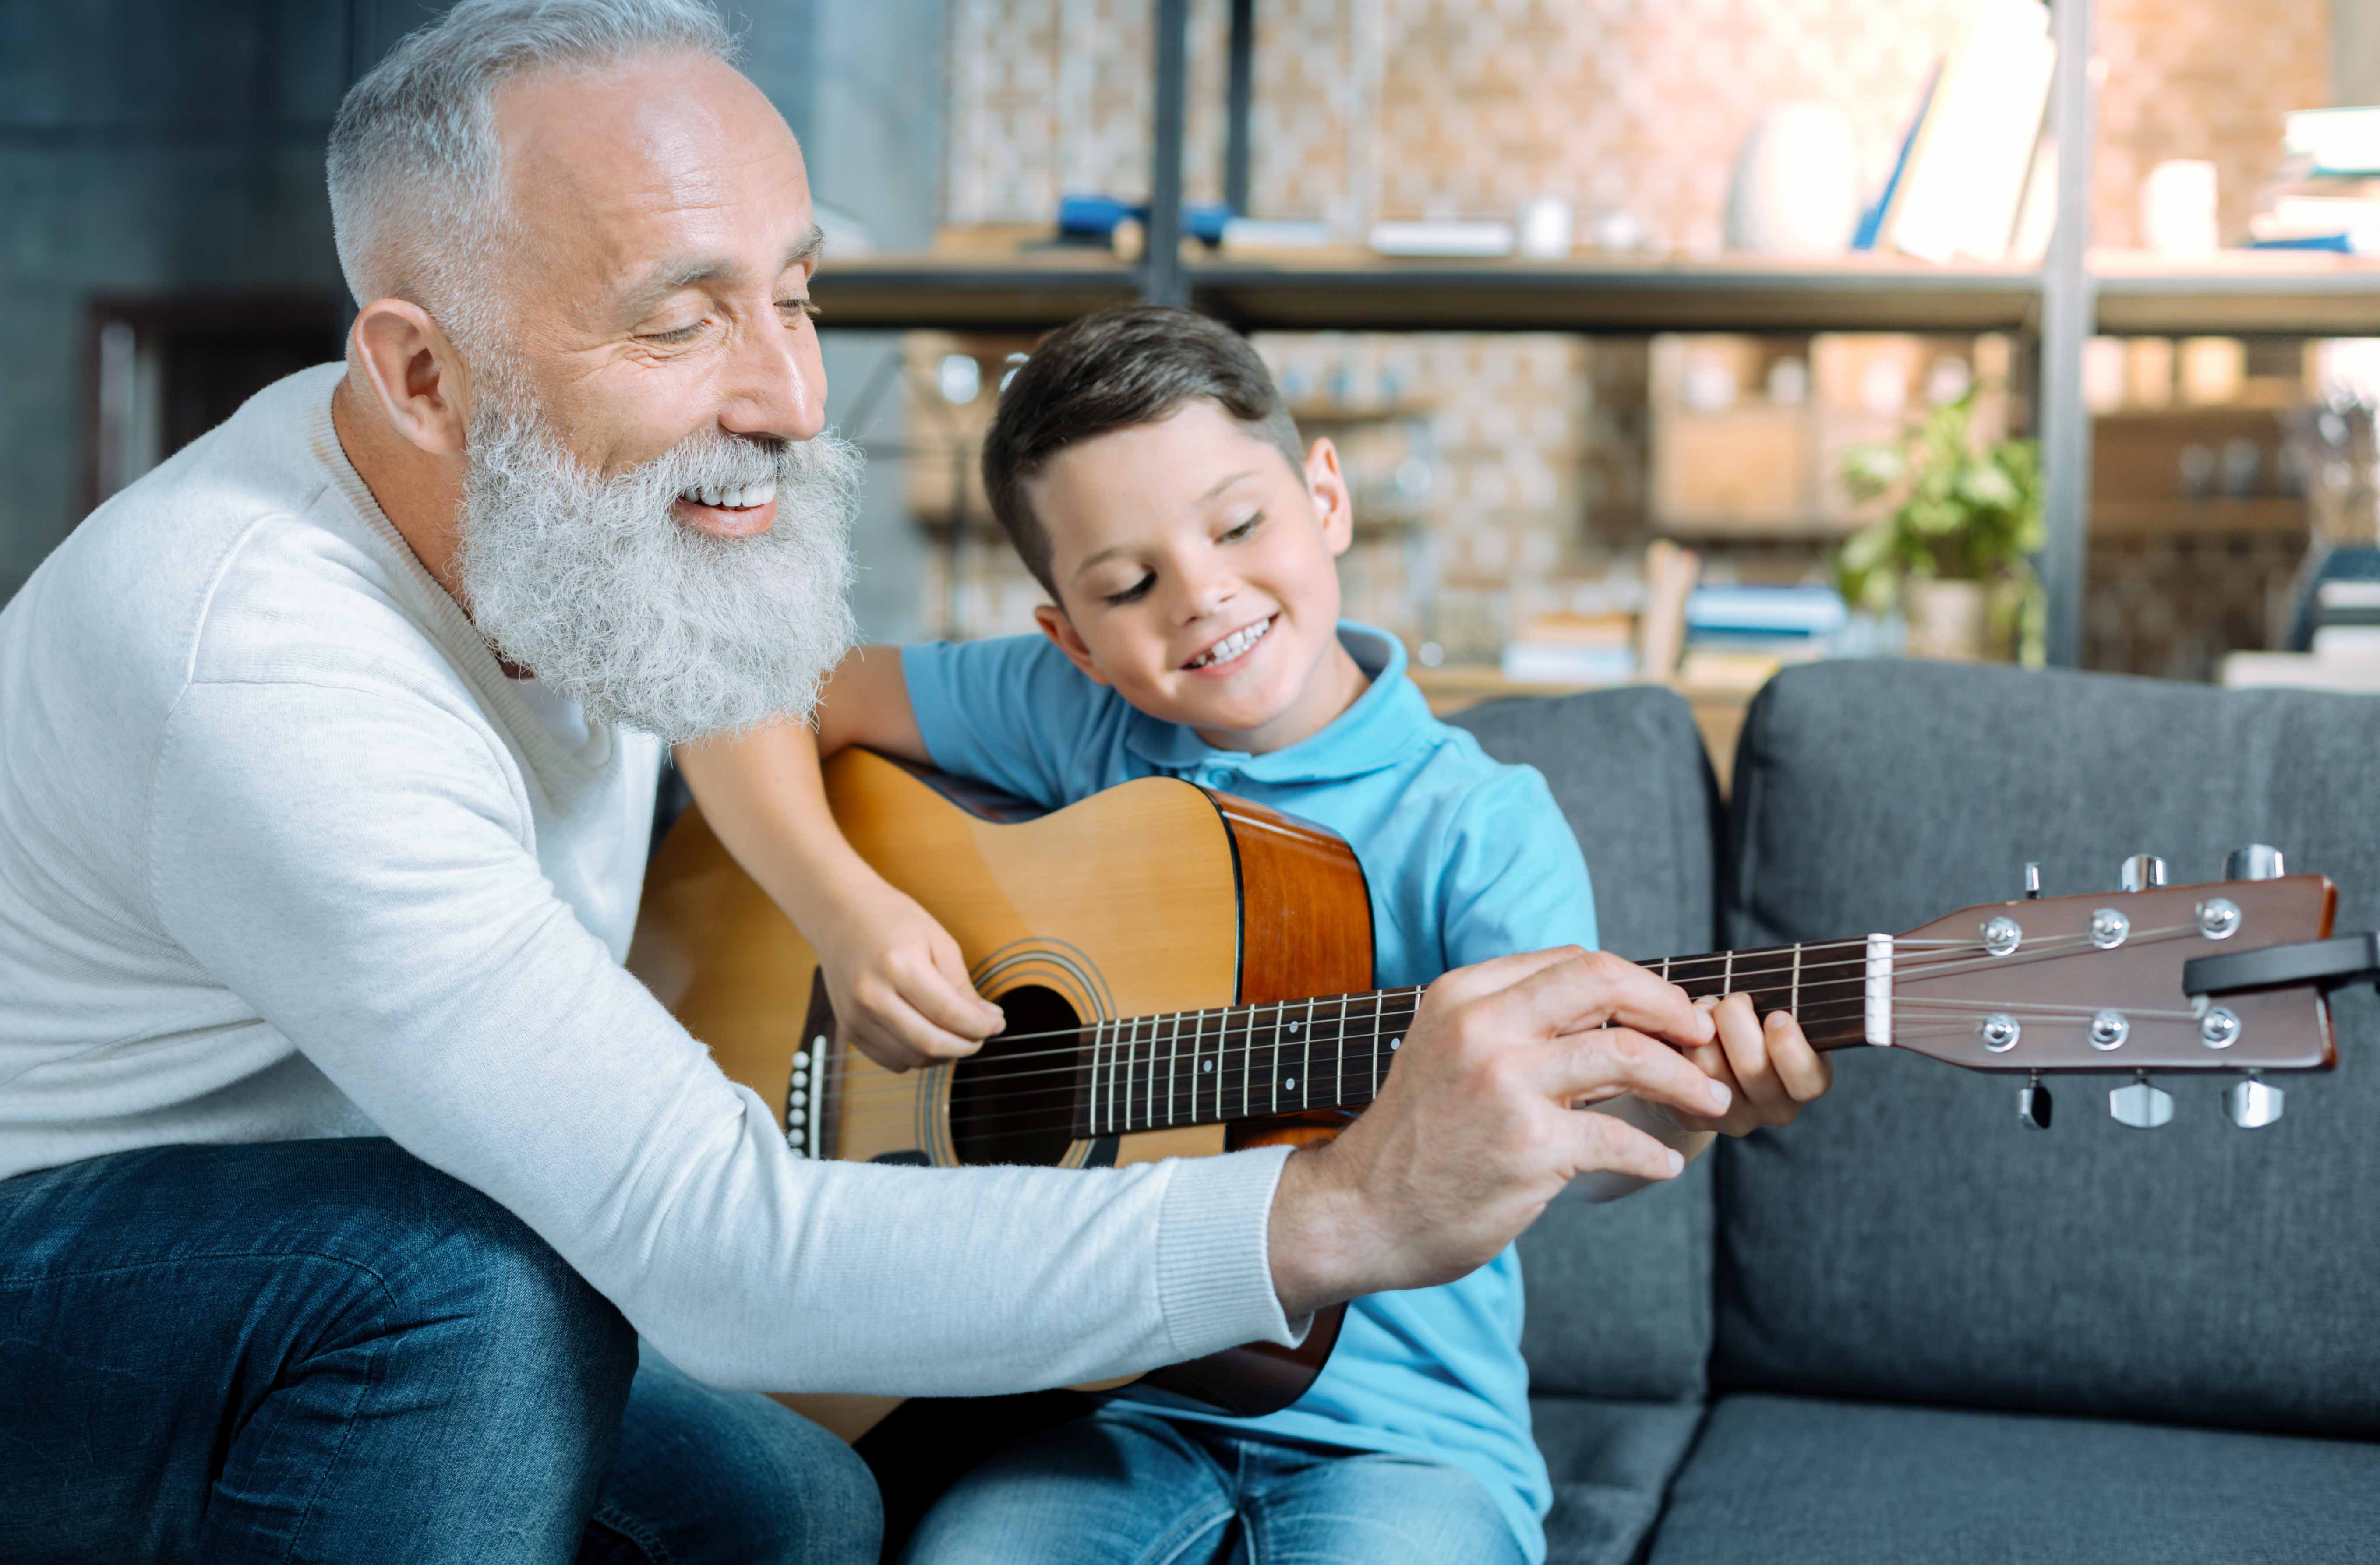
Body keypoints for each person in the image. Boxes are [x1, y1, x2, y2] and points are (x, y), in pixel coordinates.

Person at [0, 4, 1750, 1562]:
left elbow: (765, 707)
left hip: (416, 1192)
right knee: (464, 1293)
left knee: (812, 1508)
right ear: (423, 376)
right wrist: (1333, 1211)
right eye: (681, 320)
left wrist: (841, 906)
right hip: (73, 1267)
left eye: (797, 292)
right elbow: (709, 1245)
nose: (786, 394)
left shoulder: (559, 513)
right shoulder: (256, 659)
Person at [678, 305, 1833, 1565]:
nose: (1203, 594)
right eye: (1128, 584)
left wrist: (1669, 1109)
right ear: (1068, 634)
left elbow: (1569, 1141)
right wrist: (845, 914)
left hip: (1405, 1434)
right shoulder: (1078, 717)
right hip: (1093, 1403)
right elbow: (748, 688)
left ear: (1323, 495)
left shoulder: (1479, 827)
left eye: (1238, 526)